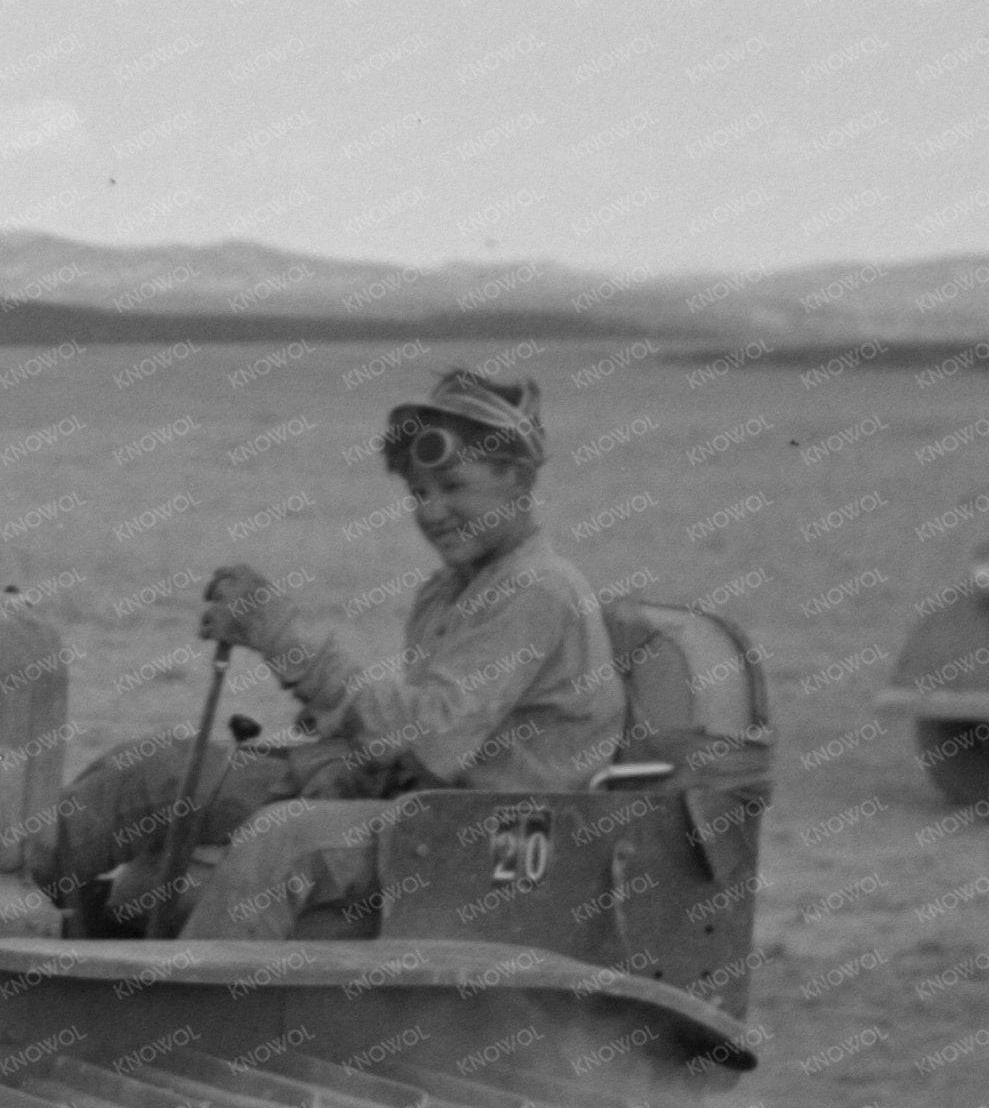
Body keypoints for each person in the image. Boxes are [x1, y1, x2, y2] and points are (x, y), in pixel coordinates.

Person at [47, 366, 621, 940]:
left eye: (452, 486)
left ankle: (194, 1021)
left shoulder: (537, 589)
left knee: (279, 844)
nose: (430, 511)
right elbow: (417, 745)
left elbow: (429, 738)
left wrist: (285, 640)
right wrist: (345, 763)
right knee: (159, 776)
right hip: (416, 808)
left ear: (517, 479)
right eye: (419, 492)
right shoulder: (447, 593)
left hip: (486, 841)